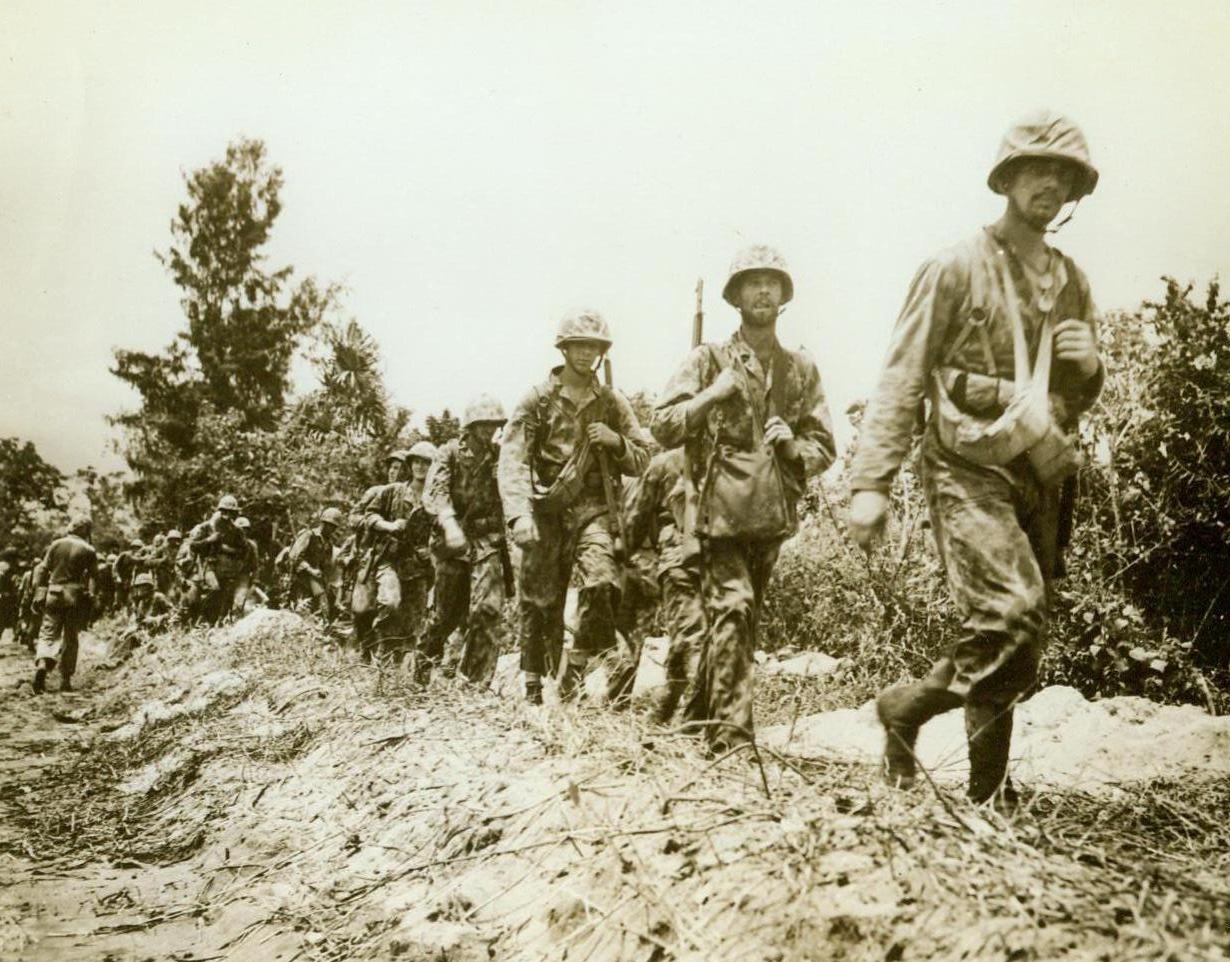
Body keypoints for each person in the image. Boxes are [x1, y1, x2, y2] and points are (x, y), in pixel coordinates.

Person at [848, 110, 1104, 807]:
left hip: (1040, 473)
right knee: (1012, 614)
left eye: (1064, 174)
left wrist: (1089, 368)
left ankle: (987, 791)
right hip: (965, 466)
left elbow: (1071, 396)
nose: (1050, 185)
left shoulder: (1071, 280)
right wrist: (870, 481)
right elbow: (903, 373)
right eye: (1036, 169)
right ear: (1008, 178)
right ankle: (909, 708)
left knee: (1021, 634)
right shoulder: (955, 267)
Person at [652, 245, 836, 752]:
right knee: (733, 608)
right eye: (752, 283)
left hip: (770, 512)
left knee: (737, 622)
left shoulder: (798, 368)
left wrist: (793, 446)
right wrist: (713, 394)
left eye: (771, 283)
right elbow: (662, 425)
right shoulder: (708, 360)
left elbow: (825, 445)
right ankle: (731, 740)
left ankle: (694, 723)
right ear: (735, 297)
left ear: (783, 296)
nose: (763, 291)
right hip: (716, 511)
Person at [499, 309, 650, 704]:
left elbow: (643, 458)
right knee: (539, 600)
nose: (586, 353)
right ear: (564, 349)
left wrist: (616, 442)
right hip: (546, 511)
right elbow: (513, 460)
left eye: (594, 346)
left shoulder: (612, 403)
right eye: (580, 345)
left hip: (594, 511)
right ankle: (534, 684)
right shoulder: (537, 400)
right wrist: (518, 515)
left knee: (601, 582)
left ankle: (577, 668)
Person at [418, 393, 511, 687]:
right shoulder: (449, 453)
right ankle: (423, 665)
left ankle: (473, 685)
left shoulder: (500, 457)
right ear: (470, 427)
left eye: (494, 425)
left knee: (488, 609)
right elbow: (436, 491)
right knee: (445, 616)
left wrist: (504, 477)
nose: (489, 431)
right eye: (483, 425)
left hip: (487, 540)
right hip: (453, 540)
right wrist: (448, 523)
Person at [619, 447, 707, 722]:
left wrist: (623, 552)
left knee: (690, 639)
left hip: (680, 560)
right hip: (726, 562)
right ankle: (661, 718)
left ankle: (698, 722)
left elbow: (636, 518)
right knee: (689, 639)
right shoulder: (735, 455)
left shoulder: (663, 464)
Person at [352, 442, 438, 663]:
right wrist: (388, 526)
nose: (421, 467)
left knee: (412, 624)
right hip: (388, 560)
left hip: (418, 568)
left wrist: (431, 549)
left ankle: (393, 669)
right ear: (410, 464)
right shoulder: (392, 491)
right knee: (389, 602)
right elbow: (369, 516)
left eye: (427, 463)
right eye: (417, 461)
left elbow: (446, 531)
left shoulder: (437, 500)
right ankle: (373, 646)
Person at [32, 517, 97, 694]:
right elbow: (93, 576)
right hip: (74, 595)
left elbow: (42, 570)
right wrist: (90, 595)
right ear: (85, 530)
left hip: (54, 592)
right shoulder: (89, 549)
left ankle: (43, 663)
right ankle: (66, 679)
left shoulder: (56, 544)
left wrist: (39, 592)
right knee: (70, 637)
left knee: (47, 632)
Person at [189, 495, 252, 624]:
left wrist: (227, 550)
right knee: (214, 589)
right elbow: (193, 546)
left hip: (227, 570)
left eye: (231, 513)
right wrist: (208, 540)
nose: (227, 516)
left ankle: (215, 623)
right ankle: (202, 621)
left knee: (224, 597)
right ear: (220, 511)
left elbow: (245, 551)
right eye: (224, 512)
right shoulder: (207, 527)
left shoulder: (237, 531)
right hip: (210, 566)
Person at [287, 508, 344, 619]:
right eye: (330, 525)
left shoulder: (328, 543)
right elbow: (293, 556)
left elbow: (326, 565)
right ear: (323, 523)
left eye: (334, 527)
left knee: (324, 605)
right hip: (302, 578)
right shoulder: (309, 535)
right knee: (302, 607)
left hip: (318, 579)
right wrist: (310, 570)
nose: (332, 529)